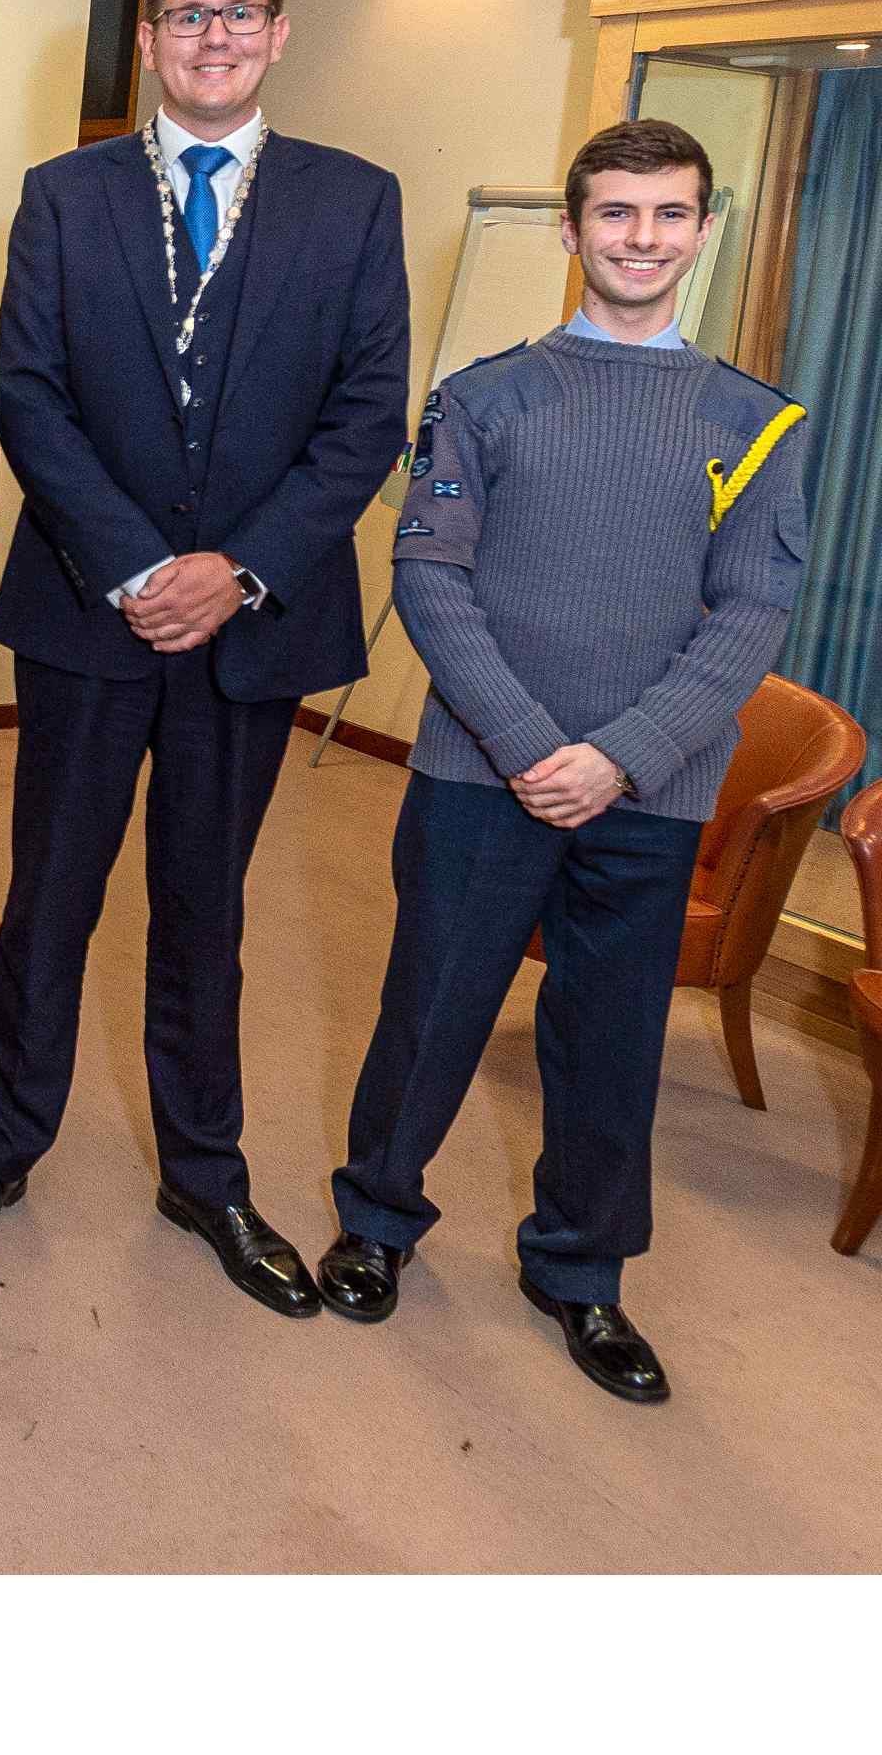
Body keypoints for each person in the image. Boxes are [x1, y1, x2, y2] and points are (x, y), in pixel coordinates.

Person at [0, 0, 410, 1314]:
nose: (213, 37)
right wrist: (143, 569)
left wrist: (236, 571)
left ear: (279, 34)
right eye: (187, 17)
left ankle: (206, 1174)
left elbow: (365, 416)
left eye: (239, 14)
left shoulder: (355, 201)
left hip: (257, 630)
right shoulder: (64, 197)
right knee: (49, 900)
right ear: (145, 42)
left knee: (206, 912)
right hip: (92, 619)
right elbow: (33, 397)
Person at [318, 120, 807, 1403]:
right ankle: (375, 1224)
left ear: (703, 232)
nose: (641, 238)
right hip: (484, 775)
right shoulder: (481, 396)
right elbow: (429, 575)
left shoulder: (755, 422)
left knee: (610, 1040)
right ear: (573, 229)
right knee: (430, 1009)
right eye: (616, 214)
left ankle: (580, 1273)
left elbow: (754, 612)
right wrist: (538, 746)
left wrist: (625, 758)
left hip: (652, 791)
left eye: (668, 216)